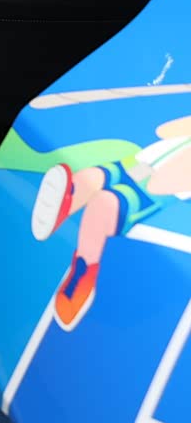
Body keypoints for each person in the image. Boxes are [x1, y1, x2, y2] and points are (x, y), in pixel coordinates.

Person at [30, 113, 191, 330]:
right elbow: (164, 131)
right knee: (90, 177)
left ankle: (83, 269)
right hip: (142, 165)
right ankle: (62, 202)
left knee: (104, 204)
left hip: (156, 189)